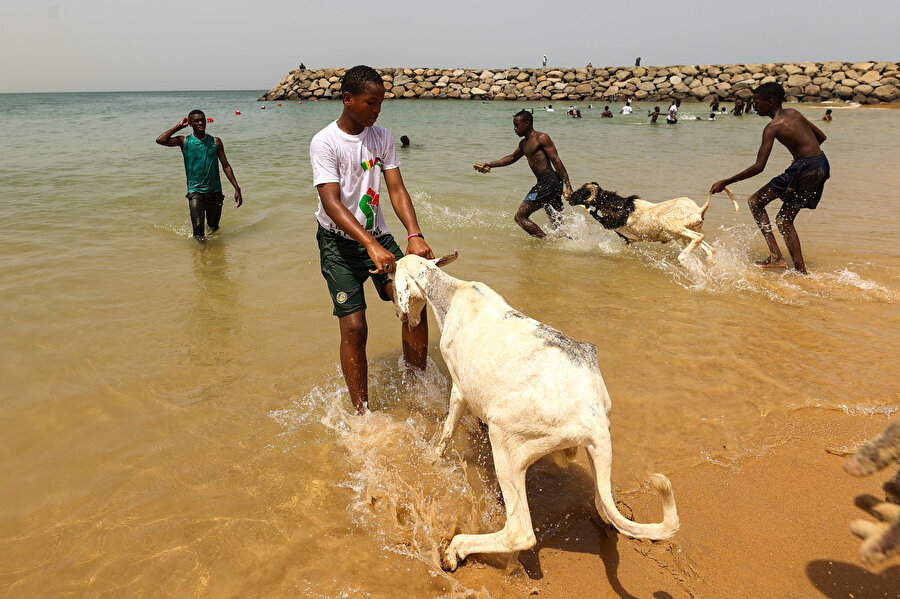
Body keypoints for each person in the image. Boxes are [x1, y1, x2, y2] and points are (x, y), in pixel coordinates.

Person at [309, 65, 434, 414]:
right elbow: (331, 203)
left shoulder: (381, 137)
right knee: (355, 328)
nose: (376, 110)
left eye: (381, 103)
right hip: (338, 244)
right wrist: (369, 245)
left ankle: (418, 388)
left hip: (378, 236)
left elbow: (396, 188)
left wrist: (414, 234)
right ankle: (362, 412)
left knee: (413, 302)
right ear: (348, 100)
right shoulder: (325, 142)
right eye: (370, 103)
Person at [710, 82, 829, 275]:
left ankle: (776, 256)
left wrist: (726, 182)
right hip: (821, 164)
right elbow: (821, 137)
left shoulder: (772, 127)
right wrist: (802, 153)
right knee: (784, 220)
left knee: (755, 202)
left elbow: (759, 166)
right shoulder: (794, 113)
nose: (754, 106)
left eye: (757, 102)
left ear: (771, 102)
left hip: (803, 168)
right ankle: (801, 272)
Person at [473, 110, 573, 238]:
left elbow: (556, 160)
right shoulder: (524, 143)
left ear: (527, 123)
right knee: (556, 221)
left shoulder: (541, 138)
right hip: (549, 182)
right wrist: (490, 164)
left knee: (520, 217)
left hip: (549, 180)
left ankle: (546, 242)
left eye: (517, 125)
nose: (515, 129)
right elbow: (512, 158)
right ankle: (567, 243)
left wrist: (568, 186)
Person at [156, 110, 242, 240]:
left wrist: (237, 188)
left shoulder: (215, 141)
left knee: (213, 227)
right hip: (195, 191)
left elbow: (226, 166)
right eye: (196, 121)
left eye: (203, 120)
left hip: (215, 191)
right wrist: (179, 126)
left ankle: (215, 256)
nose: (201, 123)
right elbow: (160, 140)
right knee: (198, 228)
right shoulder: (184, 141)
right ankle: (200, 257)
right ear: (190, 123)